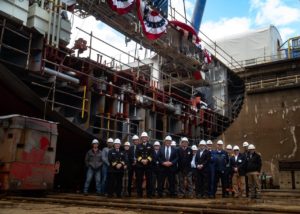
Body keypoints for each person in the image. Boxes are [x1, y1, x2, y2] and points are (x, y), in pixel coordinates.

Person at [135, 132, 154, 198]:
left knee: (149, 180)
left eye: (145, 137)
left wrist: (147, 160)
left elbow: (152, 155)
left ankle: (149, 194)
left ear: (147, 138)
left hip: (148, 165)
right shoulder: (138, 146)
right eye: (143, 137)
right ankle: (139, 194)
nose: (144, 138)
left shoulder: (151, 146)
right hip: (140, 165)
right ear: (141, 138)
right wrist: (142, 160)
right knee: (139, 179)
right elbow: (136, 155)